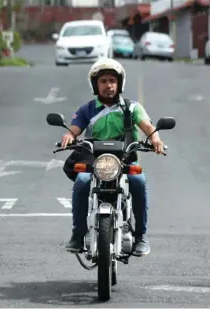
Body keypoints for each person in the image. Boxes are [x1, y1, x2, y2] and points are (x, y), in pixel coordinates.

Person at [60, 58, 165, 257]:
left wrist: (156, 139)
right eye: (103, 81)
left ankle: (141, 236)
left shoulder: (132, 108)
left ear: (119, 84)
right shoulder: (87, 109)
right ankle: (78, 233)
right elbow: (74, 130)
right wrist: (68, 136)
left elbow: (148, 127)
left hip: (124, 161)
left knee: (139, 181)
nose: (108, 85)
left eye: (112, 81)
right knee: (82, 181)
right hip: (95, 162)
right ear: (95, 84)